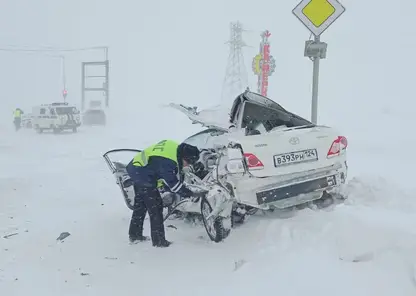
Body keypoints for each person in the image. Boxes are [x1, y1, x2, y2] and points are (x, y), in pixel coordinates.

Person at [126, 139, 205, 247]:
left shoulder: (173, 147)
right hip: (142, 175)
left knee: (140, 205)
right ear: (184, 158)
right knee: (156, 208)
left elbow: (160, 170)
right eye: (188, 163)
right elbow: (174, 185)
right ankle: (159, 242)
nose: (187, 166)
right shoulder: (168, 163)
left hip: (136, 168)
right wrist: (190, 193)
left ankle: (134, 235)